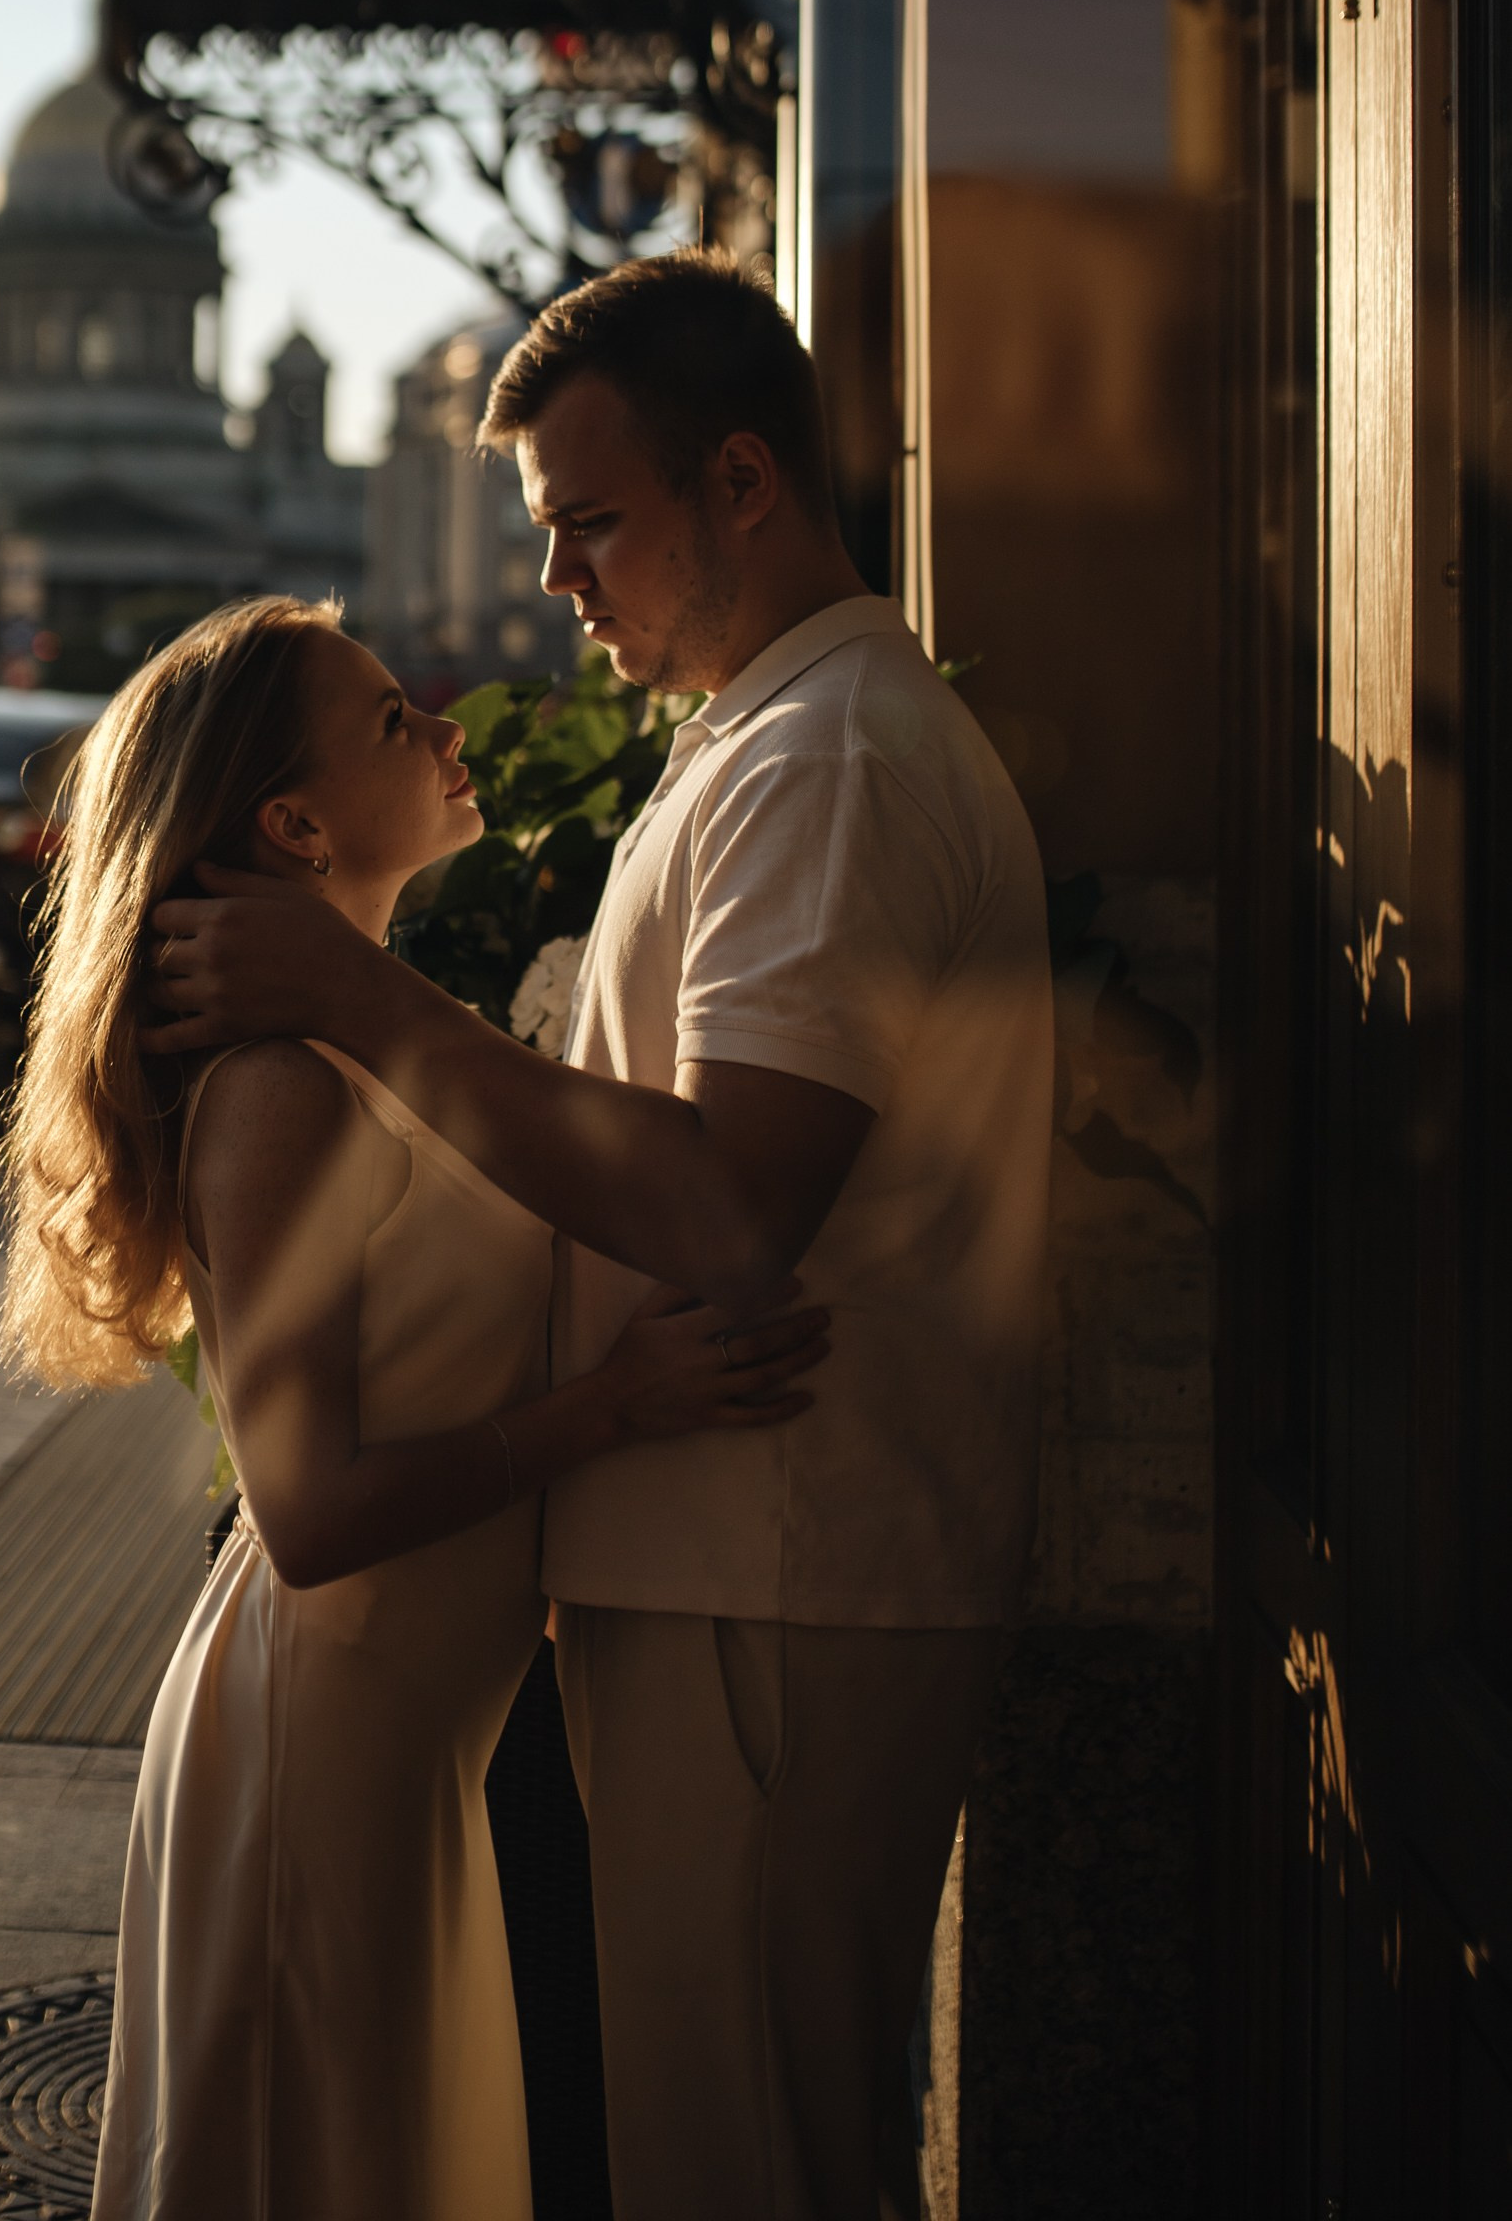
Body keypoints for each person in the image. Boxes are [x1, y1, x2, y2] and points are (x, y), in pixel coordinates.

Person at [147, 254, 1056, 2221]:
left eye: (589, 523)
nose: (555, 578)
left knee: (737, 2152)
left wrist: (365, 992)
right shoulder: (763, 737)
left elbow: (730, 1204)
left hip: (776, 1562)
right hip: (733, 1559)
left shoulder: (820, 759)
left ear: (740, 480)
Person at [0, 592, 829, 2221]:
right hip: (327, 1739)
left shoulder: (366, 1043)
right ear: (294, 825)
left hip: (404, 1736)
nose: (446, 725)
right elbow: (304, 1511)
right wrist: (613, 1405)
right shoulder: (281, 1093)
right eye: (392, 719)